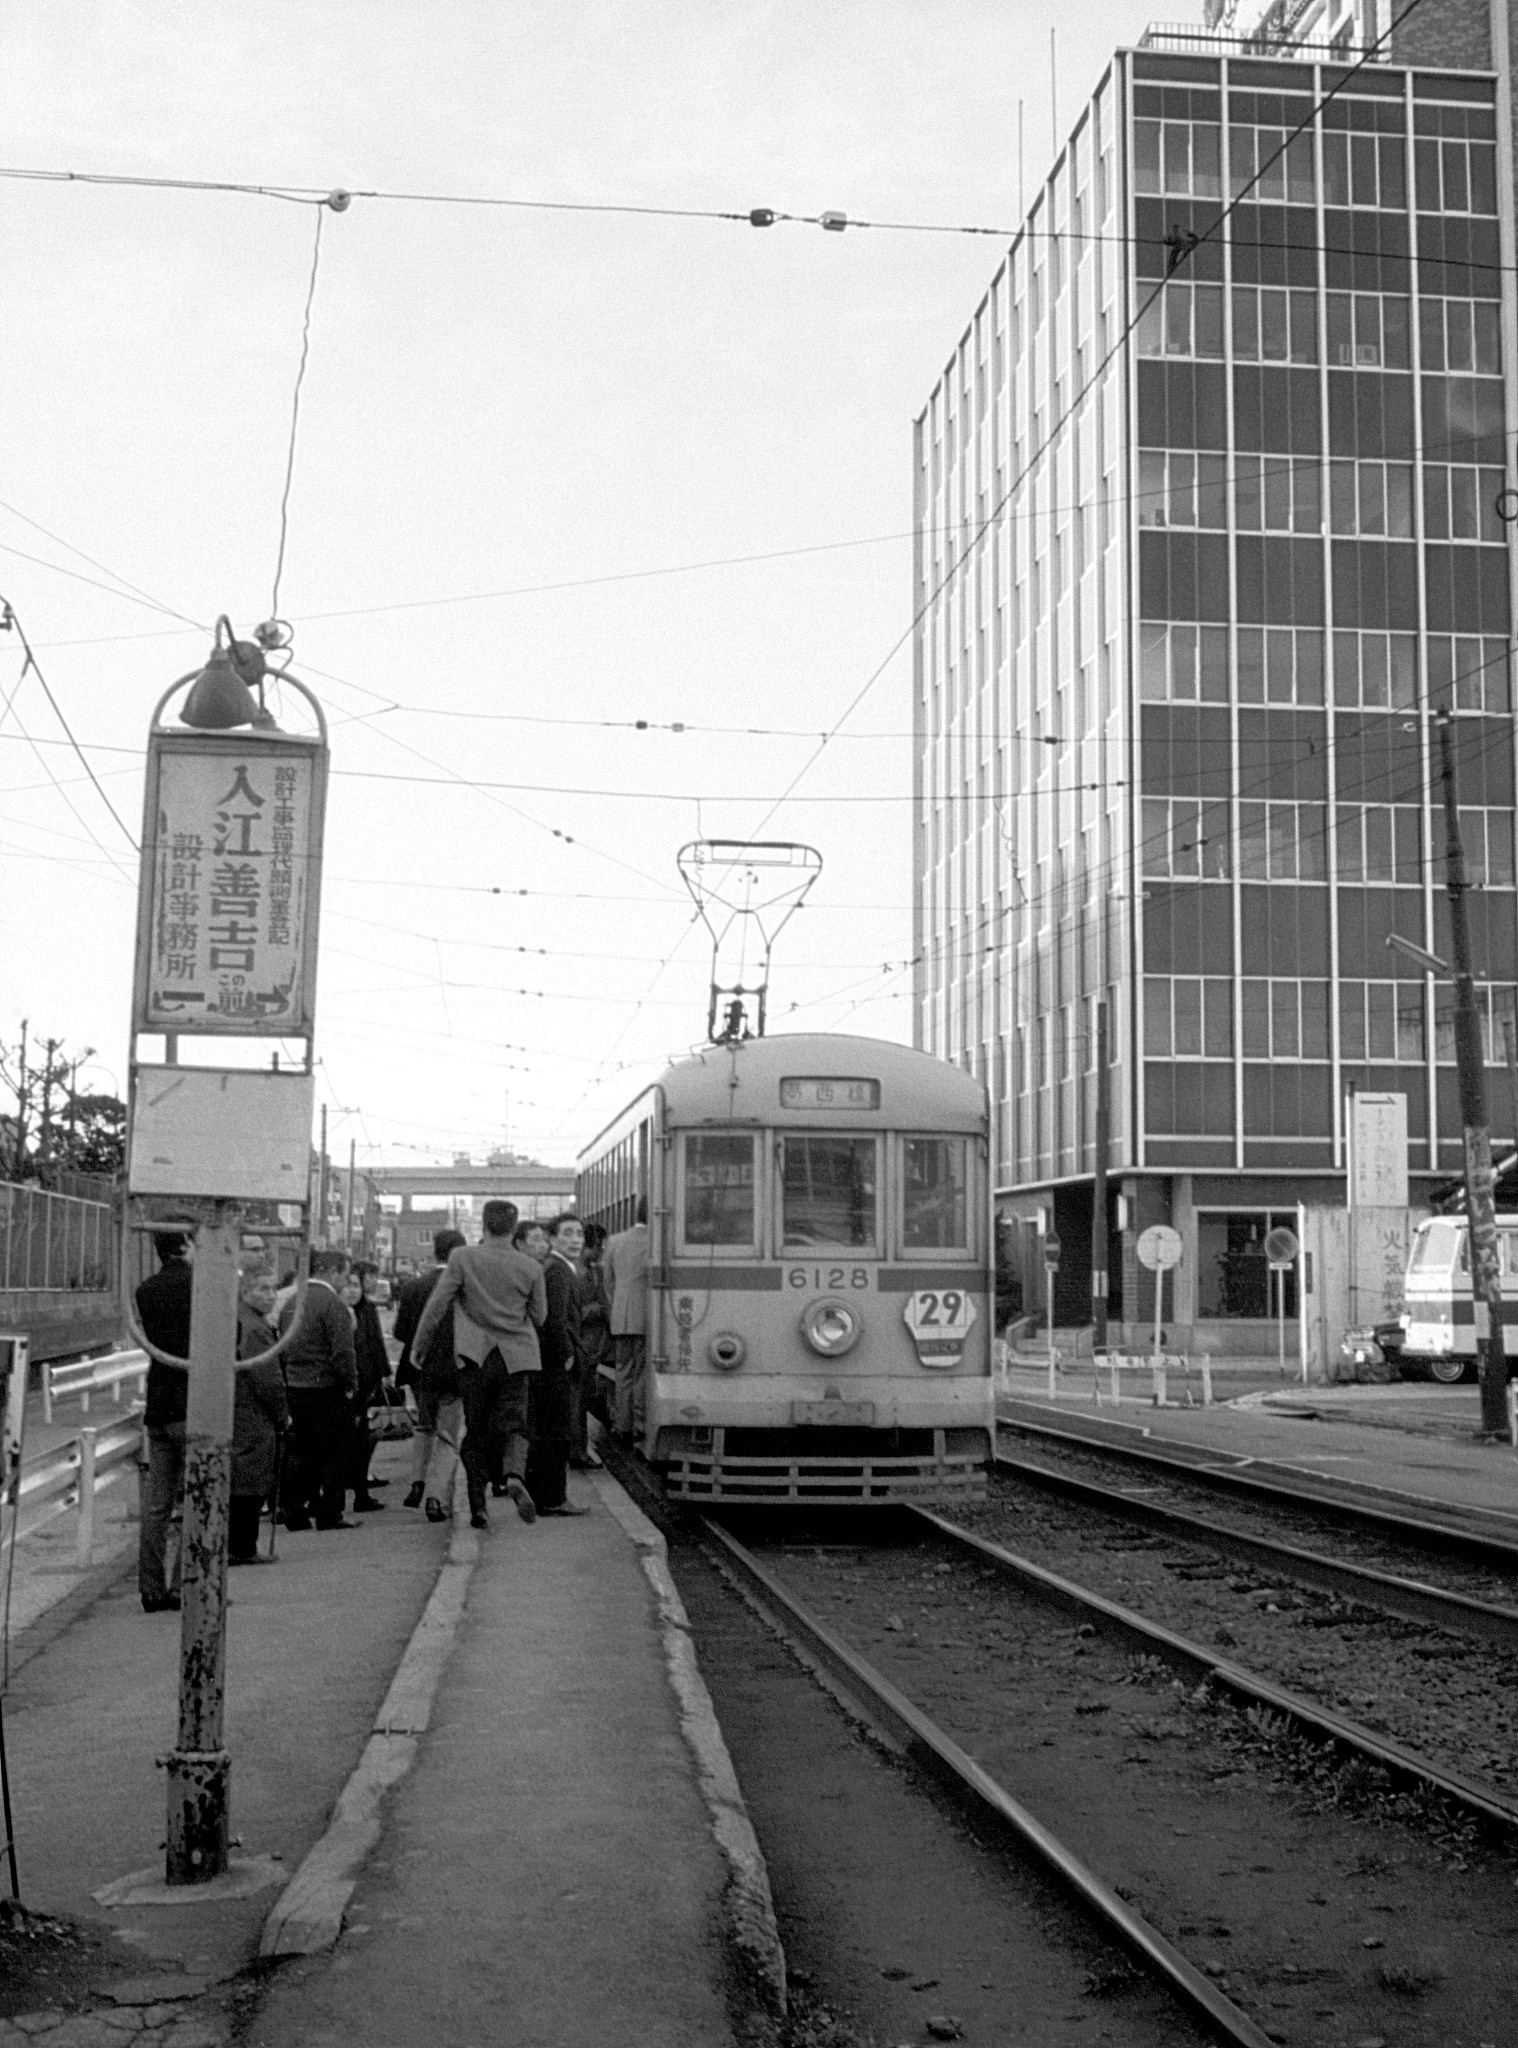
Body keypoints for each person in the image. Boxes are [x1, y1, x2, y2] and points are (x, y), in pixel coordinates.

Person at [410, 1200, 546, 1532]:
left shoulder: (463, 1258)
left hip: (475, 1357)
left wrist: (420, 1347)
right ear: (514, 1229)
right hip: (518, 1357)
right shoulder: (530, 1267)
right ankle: (513, 1475)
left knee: (476, 1430)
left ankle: (479, 1507)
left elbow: (437, 1305)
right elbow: (540, 1316)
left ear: (483, 1225)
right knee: (515, 1425)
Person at [278, 1247, 359, 1531]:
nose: (345, 1283)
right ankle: (330, 1512)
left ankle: (294, 1510)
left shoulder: (291, 1302)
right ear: (331, 1271)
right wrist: (350, 1383)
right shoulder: (332, 1304)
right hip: (326, 1387)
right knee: (334, 1454)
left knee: (299, 1452)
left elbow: (282, 1345)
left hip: (295, 1386)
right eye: (344, 1276)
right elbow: (342, 1352)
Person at [136, 1230, 193, 1613]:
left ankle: (151, 1589)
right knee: (198, 1498)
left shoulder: (146, 1290)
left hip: (159, 1401)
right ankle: (182, 1586)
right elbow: (232, 1337)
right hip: (194, 1402)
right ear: (186, 1244)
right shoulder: (202, 1287)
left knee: (157, 1505)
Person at [394, 1227, 467, 1516]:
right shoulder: (463, 1287)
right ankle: (436, 1497)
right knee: (448, 1435)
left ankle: (417, 1481)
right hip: (454, 1369)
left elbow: (401, 1332)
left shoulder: (413, 1287)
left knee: (424, 1426)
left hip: (419, 1370)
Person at [526, 1215, 589, 1516]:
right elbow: (555, 1319)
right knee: (557, 1431)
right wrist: (567, 1355)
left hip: (549, 1363)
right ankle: (553, 1497)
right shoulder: (559, 1271)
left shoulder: (555, 1267)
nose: (576, 1239)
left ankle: (542, 1495)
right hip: (556, 1366)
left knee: (548, 1429)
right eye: (568, 1233)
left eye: (579, 1233)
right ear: (553, 1238)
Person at [230, 1265, 289, 1565]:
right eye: (263, 1289)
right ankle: (244, 1547)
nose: (271, 1296)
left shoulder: (240, 1319)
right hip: (253, 1414)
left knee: (242, 1479)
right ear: (246, 1292)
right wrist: (283, 1414)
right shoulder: (255, 1328)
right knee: (250, 1482)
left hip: (240, 1410)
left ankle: (240, 1545)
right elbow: (267, 1378)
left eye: (273, 1289)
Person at [343, 1261, 391, 1512]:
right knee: (350, 1440)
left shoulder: (367, 1309)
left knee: (363, 1438)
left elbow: (376, 1343)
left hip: (365, 1384)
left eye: (356, 1286)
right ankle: (353, 1491)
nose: (352, 1290)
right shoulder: (338, 1310)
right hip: (345, 1386)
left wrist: (384, 1374)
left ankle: (361, 1492)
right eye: (348, 1285)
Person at [606, 1196, 650, 1447]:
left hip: (620, 1316)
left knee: (623, 1373)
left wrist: (618, 1304)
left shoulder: (615, 1240)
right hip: (647, 1317)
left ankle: (622, 1425)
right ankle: (640, 1426)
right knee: (643, 1373)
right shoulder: (656, 1241)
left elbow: (607, 1281)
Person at [572, 1221, 609, 1468]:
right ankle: (577, 1452)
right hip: (582, 1346)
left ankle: (579, 1449)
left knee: (583, 1401)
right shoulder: (576, 1273)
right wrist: (600, 1308)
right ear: (591, 1245)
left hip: (592, 1347)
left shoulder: (590, 1270)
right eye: (600, 1247)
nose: (601, 1252)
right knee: (578, 1403)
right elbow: (573, 1313)